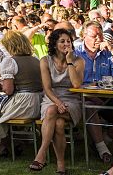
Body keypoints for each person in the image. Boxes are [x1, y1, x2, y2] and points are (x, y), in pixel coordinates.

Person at [30, 29, 84, 173]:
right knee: (58, 123)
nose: (66, 44)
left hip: (71, 99)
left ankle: (41, 154)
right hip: (51, 98)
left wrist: (70, 61)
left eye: (68, 41)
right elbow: (47, 88)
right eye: (62, 41)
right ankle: (61, 164)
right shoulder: (45, 60)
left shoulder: (78, 61)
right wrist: (58, 103)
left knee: (52, 112)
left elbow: (76, 84)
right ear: (54, 44)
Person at [75, 20, 113, 163]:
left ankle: (103, 138)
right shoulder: (75, 53)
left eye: (100, 36)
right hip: (82, 96)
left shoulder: (107, 53)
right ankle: (102, 149)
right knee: (91, 106)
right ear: (84, 35)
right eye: (94, 36)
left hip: (104, 96)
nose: (98, 39)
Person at [0, 30, 43, 157]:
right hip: (40, 101)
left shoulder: (9, 62)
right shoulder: (36, 60)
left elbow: (8, 90)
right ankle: (16, 142)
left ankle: (3, 146)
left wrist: (2, 85)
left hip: (24, 102)